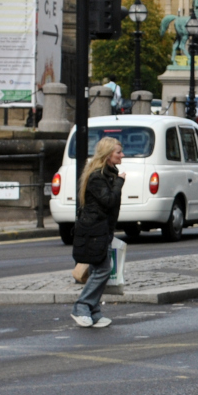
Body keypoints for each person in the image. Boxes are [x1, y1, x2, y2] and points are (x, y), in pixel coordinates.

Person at [71, 136, 125, 328]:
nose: (122, 155)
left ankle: (94, 311)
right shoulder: (97, 176)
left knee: (97, 269)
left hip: (103, 229)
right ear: (108, 154)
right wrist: (119, 182)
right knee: (102, 270)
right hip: (94, 229)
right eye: (118, 152)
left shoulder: (108, 172)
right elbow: (109, 200)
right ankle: (82, 306)